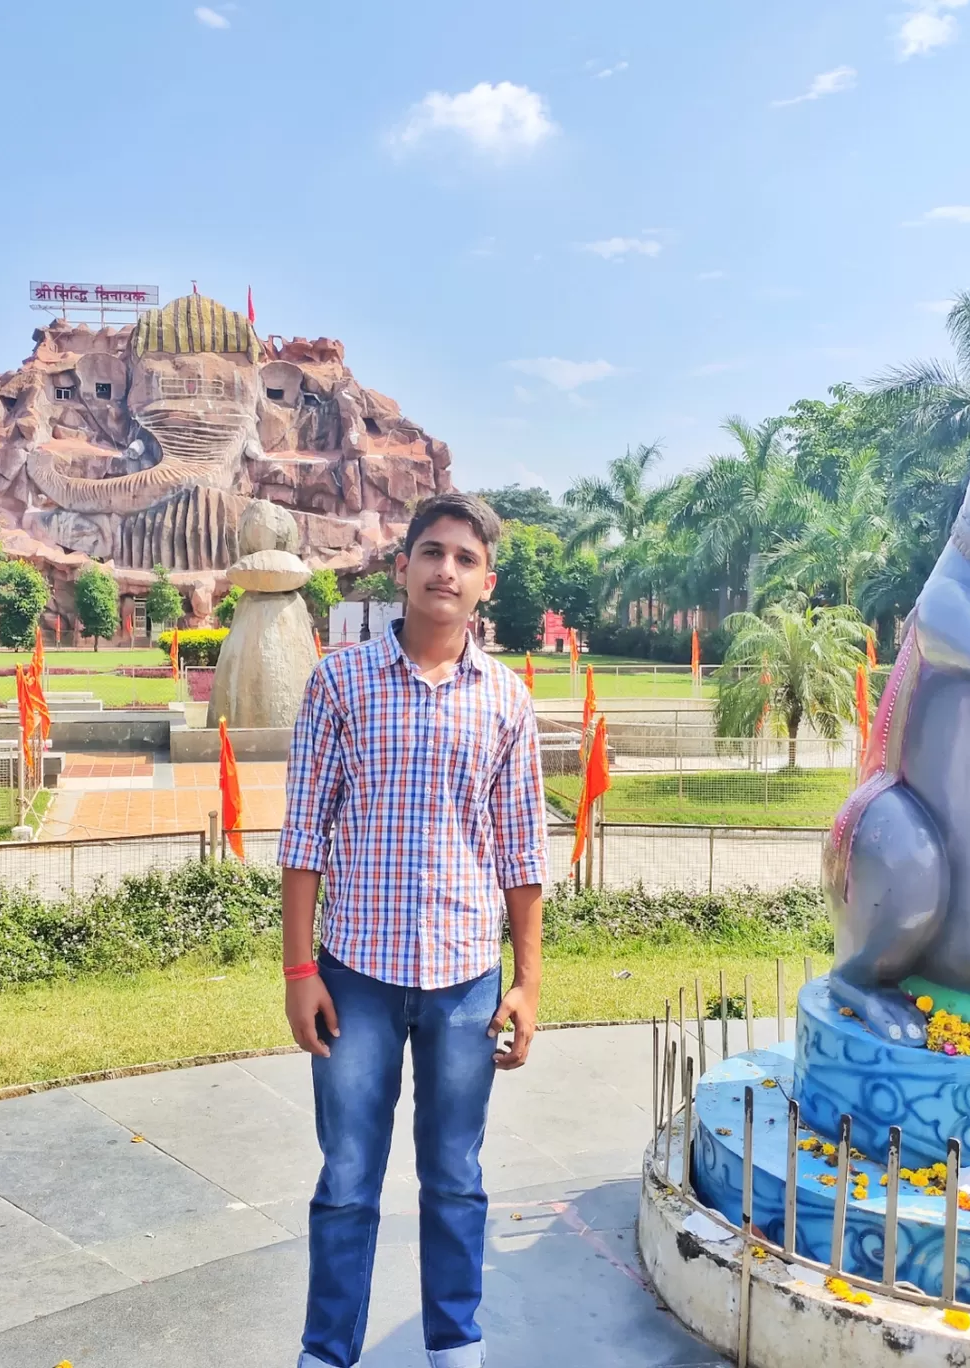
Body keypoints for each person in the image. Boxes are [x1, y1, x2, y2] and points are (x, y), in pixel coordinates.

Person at [279, 491, 547, 1368]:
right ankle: (328, 1351)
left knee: (455, 1176)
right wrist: (297, 970)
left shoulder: (505, 700)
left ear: (485, 584)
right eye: (431, 552)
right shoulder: (340, 682)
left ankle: (454, 1344)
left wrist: (529, 982)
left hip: (466, 974)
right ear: (402, 567)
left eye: (465, 560)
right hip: (354, 972)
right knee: (349, 1179)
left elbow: (522, 853)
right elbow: (303, 836)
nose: (446, 570)